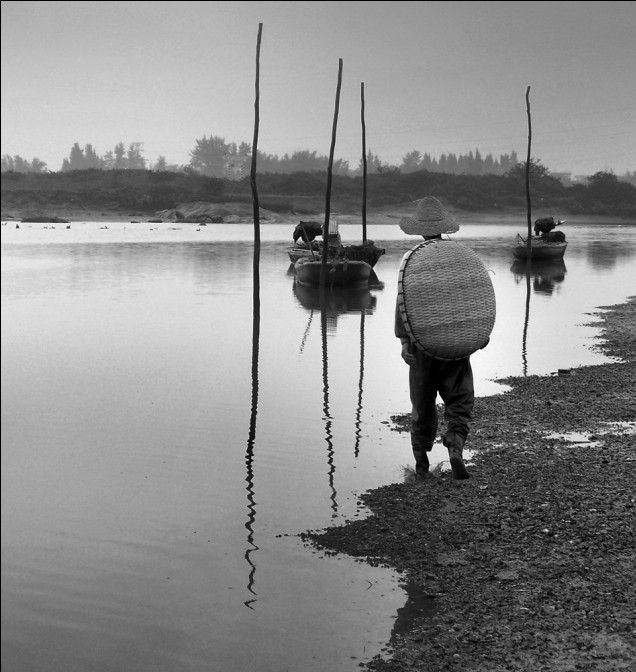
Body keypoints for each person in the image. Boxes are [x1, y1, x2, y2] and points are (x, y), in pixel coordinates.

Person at [395, 196, 473, 480]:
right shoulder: (459, 258)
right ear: (444, 228)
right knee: (459, 400)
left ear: (419, 230)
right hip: (456, 343)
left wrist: (404, 342)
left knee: (422, 405)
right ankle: (455, 444)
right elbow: (473, 298)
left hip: (421, 346)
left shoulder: (411, 260)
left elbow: (402, 303)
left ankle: (421, 467)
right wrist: (477, 337)